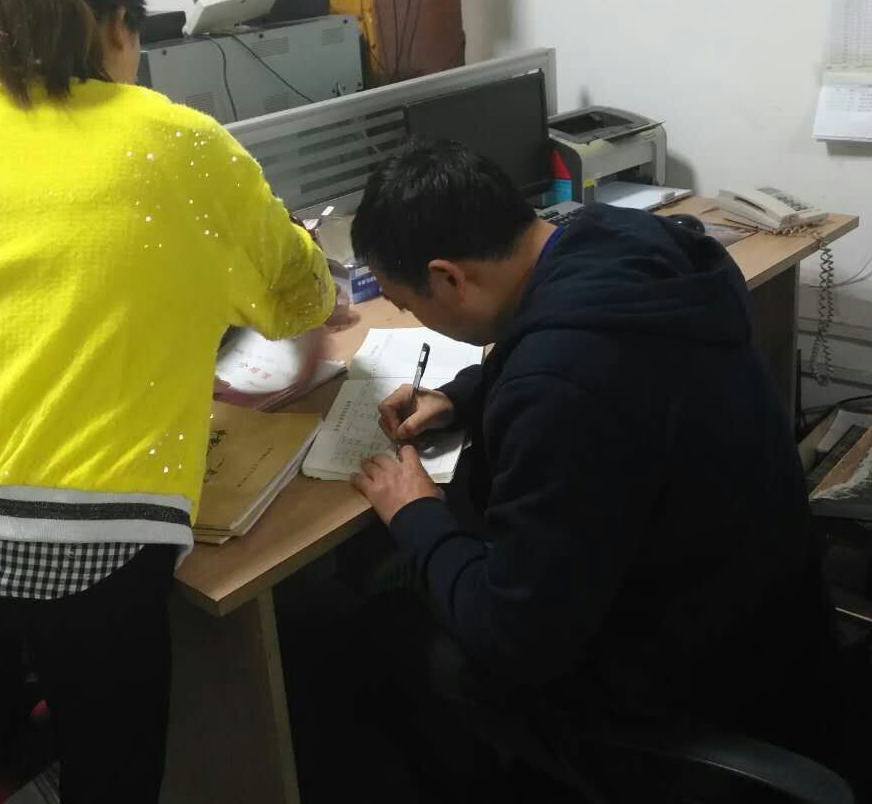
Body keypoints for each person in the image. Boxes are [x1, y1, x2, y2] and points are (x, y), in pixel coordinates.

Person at [0, 0, 334, 803]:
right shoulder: (178, 138)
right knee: (110, 767)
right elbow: (299, 301)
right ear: (119, 26)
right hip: (89, 531)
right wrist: (298, 261)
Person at [345, 139, 833, 799]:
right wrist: (461, 396)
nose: (414, 318)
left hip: (693, 690)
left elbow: (514, 637)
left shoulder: (561, 386)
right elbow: (580, 354)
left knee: (389, 626)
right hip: (770, 621)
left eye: (409, 304)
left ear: (449, 279)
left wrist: (417, 515)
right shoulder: (626, 243)